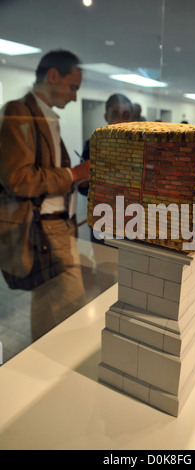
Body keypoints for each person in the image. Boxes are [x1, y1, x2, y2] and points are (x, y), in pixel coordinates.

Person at [0, 49, 90, 340]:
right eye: (72, 87)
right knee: (69, 304)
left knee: (46, 302)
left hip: (55, 225)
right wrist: (73, 175)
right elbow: (18, 179)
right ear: (53, 75)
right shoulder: (19, 112)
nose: (74, 97)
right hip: (44, 228)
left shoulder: (43, 116)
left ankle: (43, 359)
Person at [81, 93, 133, 161]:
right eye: (115, 115)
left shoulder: (139, 144)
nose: (121, 122)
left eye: (126, 116)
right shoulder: (93, 145)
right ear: (106, 117)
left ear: (131, 118)